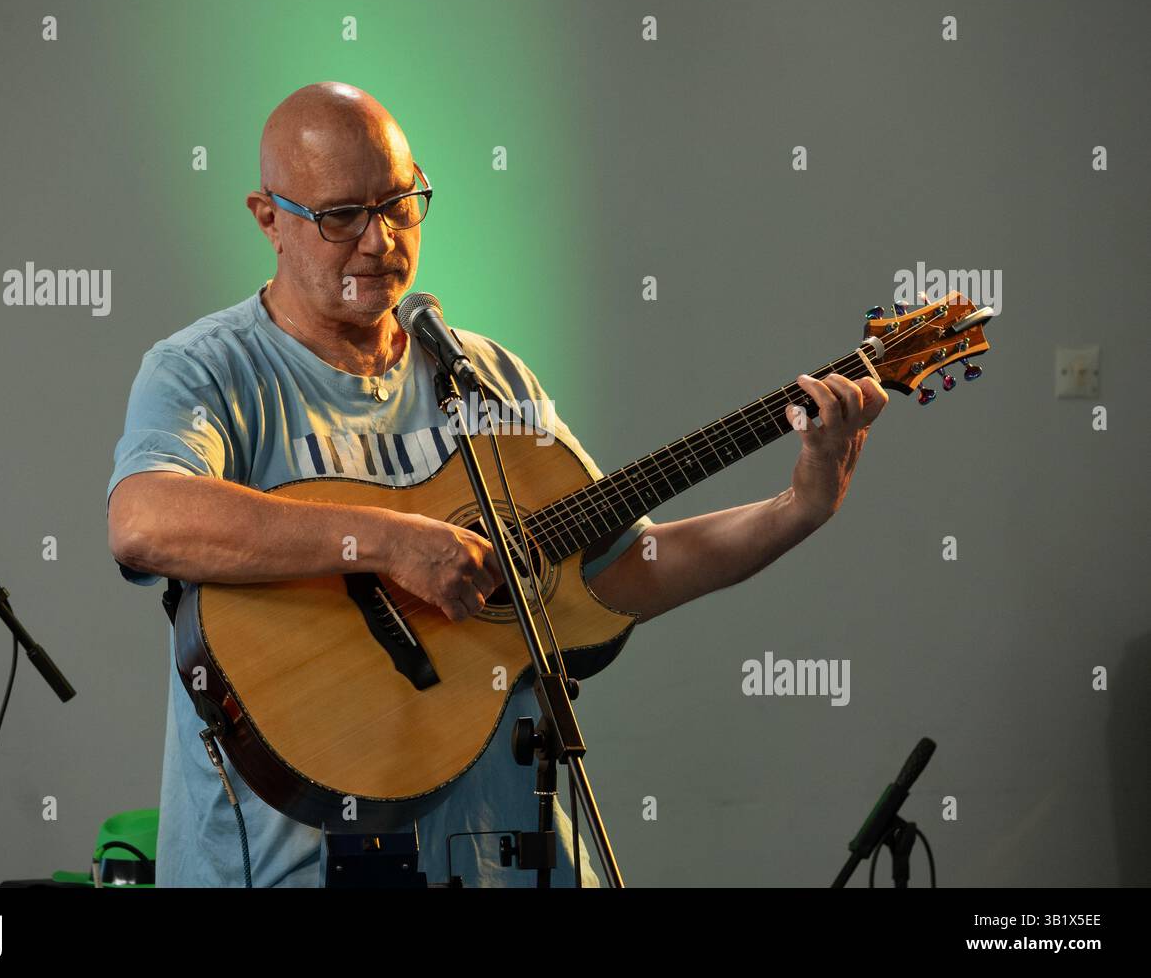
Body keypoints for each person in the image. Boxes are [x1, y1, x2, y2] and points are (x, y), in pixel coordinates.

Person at [105, 81, 888, 887]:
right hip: (293, 867)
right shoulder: (206, 370)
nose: (379, 242)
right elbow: (144, 518)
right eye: (341, 216)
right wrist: (394, 542)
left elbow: (624, 572)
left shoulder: (483, 377)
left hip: (497, 856)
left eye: (401, 203)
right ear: (269, 218)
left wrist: (800, 507)